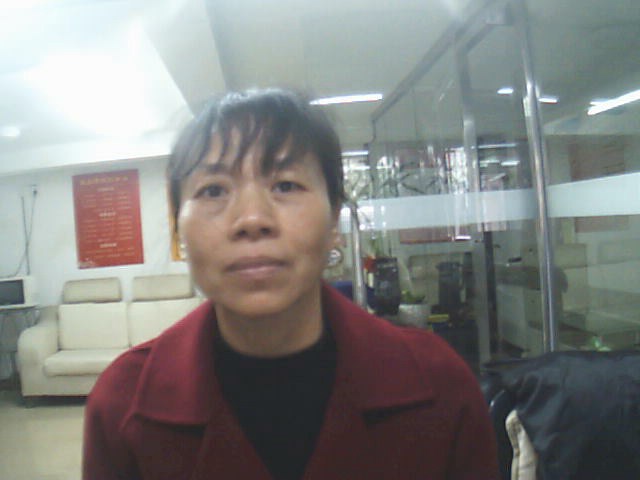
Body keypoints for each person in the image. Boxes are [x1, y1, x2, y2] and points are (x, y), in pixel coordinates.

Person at [83, 88, 498, 479]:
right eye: (213, 190)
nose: (252, 219)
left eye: (285, 185)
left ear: (334, 219)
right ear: (178, 227)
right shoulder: (121, 405)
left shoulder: (441, 385)